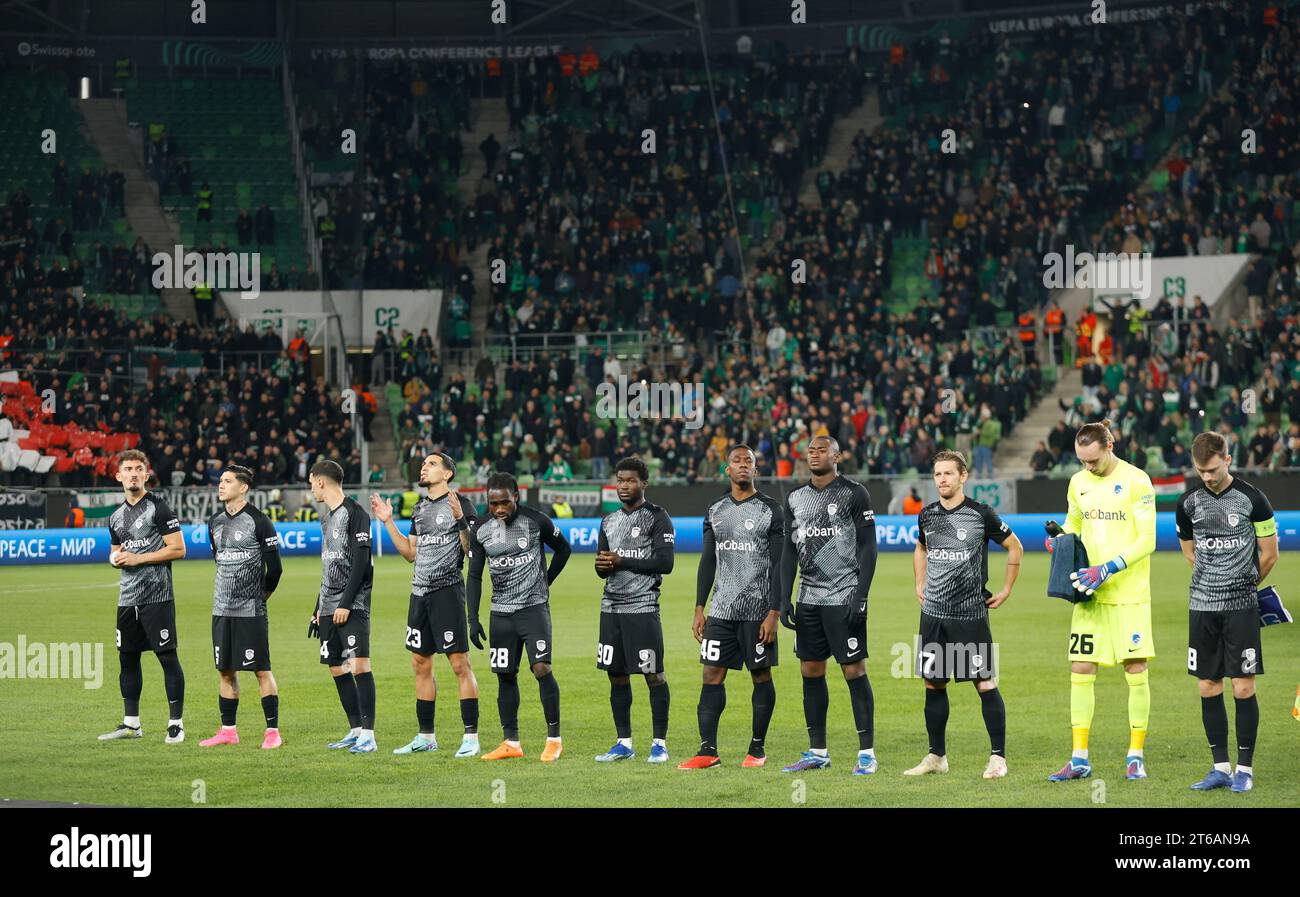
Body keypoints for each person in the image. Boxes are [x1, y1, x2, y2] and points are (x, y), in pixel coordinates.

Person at [1048, 419, 1157, 782]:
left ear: (1109, 446)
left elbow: (1148, 540)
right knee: (1081, 669)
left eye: (1092, 460)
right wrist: (1061, 539)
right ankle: (1079, 758)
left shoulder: (1138, 480)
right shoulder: (1078, 482)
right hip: (1089, 594)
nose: (1087, 468)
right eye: (1082, 461)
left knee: (1135, 670)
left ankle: (1135, 756)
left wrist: (1108, 568)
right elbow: (1074, 522)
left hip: (1128, 596)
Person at [905, 451, 1022, 779]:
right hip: (933, 615)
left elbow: (1015, 546)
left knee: (984, 683)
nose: (942, 479)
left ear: (963, 476)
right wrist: (919, 581)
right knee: (933, 683)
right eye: (937, 474)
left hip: (970, 614)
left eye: (948, 473)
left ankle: (998, 758)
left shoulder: (980, 514)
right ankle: (936, 757)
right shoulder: (927, 515)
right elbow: (921, 548)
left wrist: (1007, 588)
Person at [1178, 433, 1278, 793]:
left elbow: (1269, 553)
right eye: (1201, 470)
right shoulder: (1187, 503)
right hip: (1202, 606)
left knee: (1243, 686)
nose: (1207, 476)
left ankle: (1245, 769)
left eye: (1212, 469)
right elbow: (1188, 550)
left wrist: (1246, 584)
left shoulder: (1253, 499)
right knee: (1207, 685)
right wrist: (1210, 578)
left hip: (1241, 608)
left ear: (1228, 459)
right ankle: (1220, 767)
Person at [777, 435, 879, 776]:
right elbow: (790, 550)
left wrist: (861, 595)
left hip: (843, 596)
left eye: (823, 449)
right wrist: (783, 597)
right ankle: (818, 752)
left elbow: (868, 546)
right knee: (811, 671)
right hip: (808, 599)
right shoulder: (794, 497)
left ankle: (867, 753)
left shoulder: (854, 493)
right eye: (811, 450)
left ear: (838, 455)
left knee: (853, 670)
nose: (815, 454)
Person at [679, 445, 784, 769]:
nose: (742, 466)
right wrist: (699, 606)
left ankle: (757, 749)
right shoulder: (715, 509)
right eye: (737, 461)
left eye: (748, 462)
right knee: (711, 674)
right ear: (727, 469)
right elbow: (708, 559)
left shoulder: (770, 509)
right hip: (721, 609)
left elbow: (780, 564)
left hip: (757, 612)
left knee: (760, 675)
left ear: (755, 469)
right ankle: (707, 750)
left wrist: (774, 612)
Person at [373, 453, 483, 758]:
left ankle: (471, 737)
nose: (425, 466)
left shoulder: (461, 503)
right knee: (420, 664)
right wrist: (388, 522)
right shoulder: (420, 509)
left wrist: (461, 519)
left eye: (432, 463)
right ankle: (426, 736)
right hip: (418, 595)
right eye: (424, 463)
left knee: (460, 665)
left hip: (447, 593)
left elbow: (472, 549)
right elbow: (410, 553)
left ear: (447, 474)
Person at [467, 472, 572, 762]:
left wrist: (546, 580)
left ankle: (554, 740)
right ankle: (511, 743)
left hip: (533, 608)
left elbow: (564, 549)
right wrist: (472, 618)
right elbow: (474, 575)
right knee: (505, 675)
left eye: (504, 502)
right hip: (500, 614)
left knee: (541, 669)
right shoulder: (481, 529)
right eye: (493, 503)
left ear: (516, 497)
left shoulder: (536, 521)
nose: (499, 509)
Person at [98, 450, 188, 744]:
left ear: (146, 475)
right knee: (127, 659)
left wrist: (140, 559)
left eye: (139, 469)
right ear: (119, 476)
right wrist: (117, 559)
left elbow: (178, 549)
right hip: (127, 599)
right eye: (128, 469)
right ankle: (131, 723)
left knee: (167, 657)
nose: (134, 473)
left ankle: (176, 724)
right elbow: (115, 552)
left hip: (157, 596)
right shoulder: (115, 517)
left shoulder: (159, 508)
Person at [593, 456, 676, 763]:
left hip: (642, 609)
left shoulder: (657, 517)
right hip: (611, 609)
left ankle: (659, 744)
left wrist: (621, 561)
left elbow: (665, 564)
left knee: (653, 674)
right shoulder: (608, 521)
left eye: (630, 481)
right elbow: (603, 567)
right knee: (616, 676)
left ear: (644, 483)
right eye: (620, 480)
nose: (623, 486)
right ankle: (624, 744)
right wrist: (603, 566)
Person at [198, 466, 284, 749]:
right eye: (220, 481)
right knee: (225, 671)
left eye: (227, 481)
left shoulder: (259, 521)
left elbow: (275, 569)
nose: (221, 485)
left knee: (261, 670)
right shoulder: (214, 522)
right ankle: (228, 731)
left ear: (243, 487)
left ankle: (272, 732)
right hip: (221, 609)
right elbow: (219, 560)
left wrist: (261, 596)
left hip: (251, 610)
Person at [308, 460, 378, 753]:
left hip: (352, 605)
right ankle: (355, 729)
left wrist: (346, 604)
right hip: (328, 606)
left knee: (359, 663)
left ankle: (369, 737)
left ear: (320, 481)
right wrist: (317, 609)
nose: (311, 489)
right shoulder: (326, 519)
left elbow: (362, 563)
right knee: (336, 667)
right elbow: (329, 566)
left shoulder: (356, 514)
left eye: (311, 483)